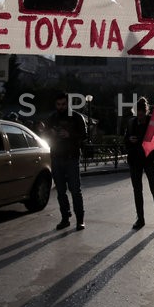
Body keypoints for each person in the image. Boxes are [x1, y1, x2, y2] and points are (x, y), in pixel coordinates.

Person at [45, 92, 87, 230]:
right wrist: (50, 134)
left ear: (68, 103)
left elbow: (85, 136)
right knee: (60, 191)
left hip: (72, 158)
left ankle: (80, 220)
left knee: (75, 191)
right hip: (56, 158)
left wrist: (70, 135)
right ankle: (65, 218)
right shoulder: (52, 118)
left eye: (63, 104)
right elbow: (45, 135)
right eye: (58, 104)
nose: (61, 107)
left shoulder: (76, 117)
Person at [123, 97, 154, 231]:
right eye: (137, 112)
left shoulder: (153, 122)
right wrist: (130, 139)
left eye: (142, 112)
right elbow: (125, 140)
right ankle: (140, 219)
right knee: (137, 191)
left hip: (149, 159)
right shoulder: (131, 123)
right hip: (135, 160)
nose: (139, 115)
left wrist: (142, 140)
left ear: (146, 111)